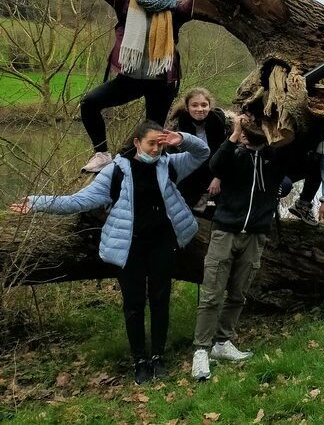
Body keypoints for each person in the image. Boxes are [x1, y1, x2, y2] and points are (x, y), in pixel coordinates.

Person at [10, 121, 208, 385]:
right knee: (134, 304)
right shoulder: (115, 171)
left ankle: (158, 356)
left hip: (163, 243)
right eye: (152, 144)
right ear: (137, 143)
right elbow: (78, 201)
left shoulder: (169, 164)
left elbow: (203, 153)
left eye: (160, 144)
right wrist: (37, 202)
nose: (157, 149)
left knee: (160, 300)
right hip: (130, 247)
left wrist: (180, 138)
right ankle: (140, 361)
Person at [74, 0, 196, 173]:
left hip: (161, 82)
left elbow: (201, 2)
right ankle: (101, 153)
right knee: (89, 104)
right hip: (128, 78)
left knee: (153, 131)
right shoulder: (124, 0)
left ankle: (144, 170)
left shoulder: (175, 9)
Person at [191, 113, 286, 381]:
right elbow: (216, 165)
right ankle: (201, 350)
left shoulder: (274, 159)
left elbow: (300, 151)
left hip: (255, 235)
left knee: (238, 294)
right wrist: (233, 135)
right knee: (211, 294)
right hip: (226, 231)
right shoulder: (233, 155)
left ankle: (222, 342)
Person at [166, 87, 230, 211]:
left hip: (218, 171)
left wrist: (218, 177)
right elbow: (175, 161)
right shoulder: (177, 128)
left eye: (204, 105)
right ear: (187, 107)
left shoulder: (222, 123)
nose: (200, 109)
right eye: (194, 105)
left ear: (210, 106)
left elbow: (227, 154)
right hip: (190, 173)